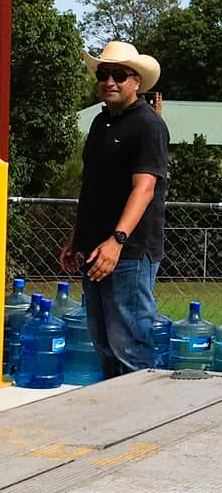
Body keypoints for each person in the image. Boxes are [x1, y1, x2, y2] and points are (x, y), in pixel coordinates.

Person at [61, 41, 169, 379]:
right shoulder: (99, 123)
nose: (110, 82)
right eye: (104, 74)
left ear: (137, 81)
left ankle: (141, 425)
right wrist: (76, 238)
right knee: (103, 341)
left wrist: (117, 240)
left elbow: (145, 187)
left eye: (119, 75)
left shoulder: (148, 125)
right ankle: (113, 421)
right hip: (94, 249)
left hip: (130, 253)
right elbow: (94, 187)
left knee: (130, 344)